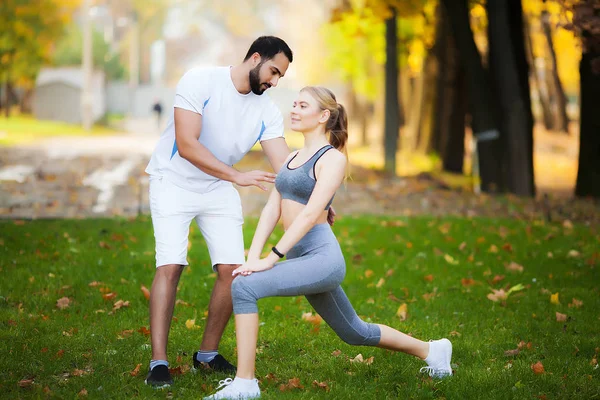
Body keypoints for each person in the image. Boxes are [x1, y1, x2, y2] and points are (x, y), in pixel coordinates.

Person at [204, 87, 453, 399]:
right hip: (299, 258)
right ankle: (433, 351)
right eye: (293, 104)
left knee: (243, 288)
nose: (294, 109)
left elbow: (310, 215)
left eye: (302, 105)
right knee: (354, 331)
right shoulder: (293, 157)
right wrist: (252, 258)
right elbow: (271, 209)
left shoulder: (332, 159)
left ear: (323, 116)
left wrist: (271, 258)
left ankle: (245, 384)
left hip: (321, 259)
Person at [143, 36, 337, 387]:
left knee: (233, 270)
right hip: (173, 180)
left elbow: (286, 168)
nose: (274, 82)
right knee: (170, 265)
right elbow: (187, 145)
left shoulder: (265, 110)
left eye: (280, 77)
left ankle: (207, 354)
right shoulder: (199, 80)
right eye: (274, 71)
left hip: (217, 188)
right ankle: (158, 362)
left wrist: (320, 199)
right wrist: (236, 175)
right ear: (255, 57)